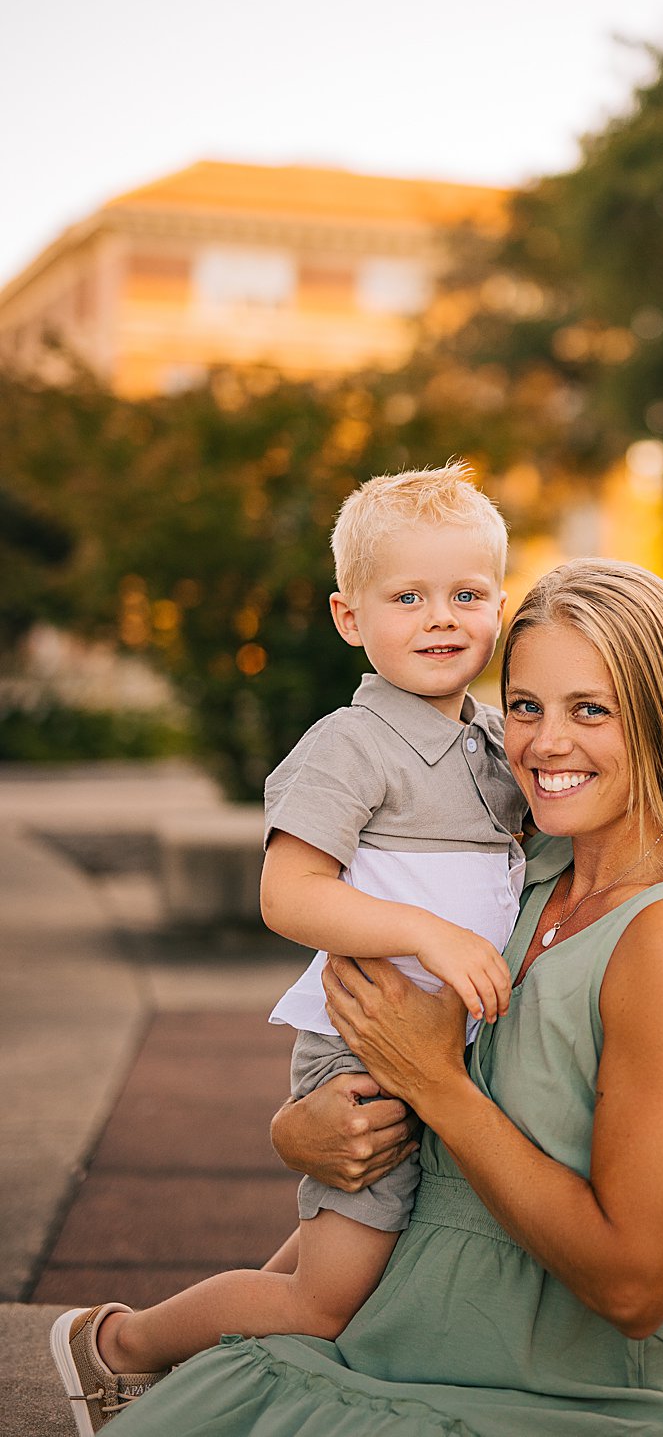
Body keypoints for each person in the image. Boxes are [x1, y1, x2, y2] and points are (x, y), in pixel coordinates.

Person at [73, 558, 663, 1435]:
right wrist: (301, 1132)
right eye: (526, 706)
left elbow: (634, 1286)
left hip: (549, 1388)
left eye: (592, 709)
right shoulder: (519, 881)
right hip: (390, 1327)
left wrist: (437, 1084)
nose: (543, 744)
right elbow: (392, 1094)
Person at [50, 462, 529, 1429]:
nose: (441, 617)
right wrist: (427, 934)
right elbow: (288, 892)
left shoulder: (497, 743)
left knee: (333, 1253)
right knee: (325, 1299)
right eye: (408, 597)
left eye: (466, 594)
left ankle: (187, 1367)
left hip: (446, 1048)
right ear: (351, 618)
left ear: (500, 607)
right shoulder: (348, 744)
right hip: (366, 1051)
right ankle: (114, 1344)